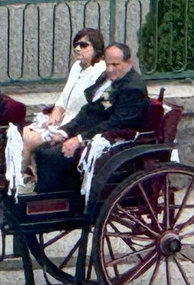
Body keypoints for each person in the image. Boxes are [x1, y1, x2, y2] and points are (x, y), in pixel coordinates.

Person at [32, 42, 148, 193]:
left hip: (114, 138)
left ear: (128, 63)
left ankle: (56, 202)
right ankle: (46, 197)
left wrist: (80, 139)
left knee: (53, 156)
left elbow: (117, 123)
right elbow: (89, 109)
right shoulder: (106, 78)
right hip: (93, 129)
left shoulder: (132, 88)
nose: (110, 69)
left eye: (115, 64)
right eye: (108, 64)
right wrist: (65, 131)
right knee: (43, 148)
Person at [20, 27, 106, 185]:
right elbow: (64, 97)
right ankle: (26, 178)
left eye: (84, 45)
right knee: (22, 132)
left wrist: (63, 124)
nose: (78, 49)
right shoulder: (77, 67)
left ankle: (19, 182)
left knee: (29, 140)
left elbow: (88, 107)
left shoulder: (100, 70)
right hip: (63, 118)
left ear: (96, 47)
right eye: (76, 45)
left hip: (75, 123)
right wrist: (55, 114)